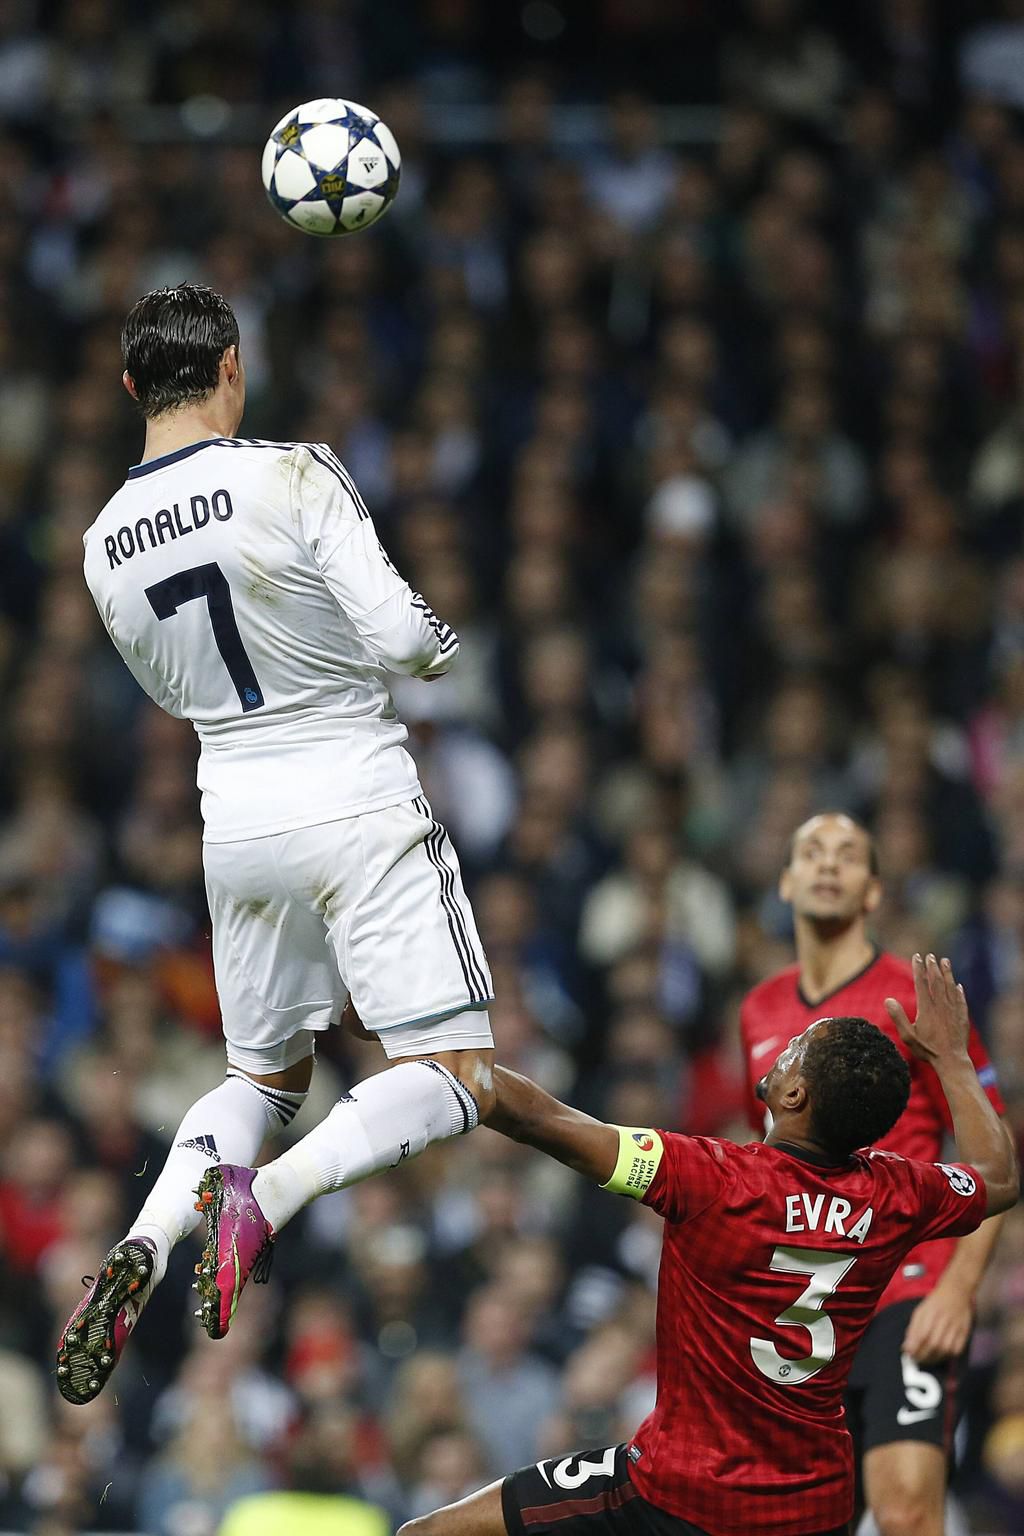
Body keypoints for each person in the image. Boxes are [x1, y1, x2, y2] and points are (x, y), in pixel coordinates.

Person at [58, 283, 494, 1406]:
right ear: (232, 368)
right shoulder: (291, 469)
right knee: (454, 1076)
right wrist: (445, 651)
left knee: (260, 1073)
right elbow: (402, 636)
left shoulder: (104, 540)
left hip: (234, 814)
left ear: (129, 389)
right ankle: (271, 1198)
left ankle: (151, 1237)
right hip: (350, 785)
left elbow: (165, 689)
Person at [401, 954, 1018, 1536]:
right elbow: (997, 1178)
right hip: (814, 1504)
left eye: (797, 1048)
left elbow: (541, 1120)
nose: (784, 1046)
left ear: (794, 1096)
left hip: (681, 1490)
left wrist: (441, 1058)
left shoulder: (708, 1177)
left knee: (428, 1531)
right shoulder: (899, 1194)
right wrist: (952, 1060)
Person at [739, 812, 1008, 1536]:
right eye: (812, 853)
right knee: (805, 1520)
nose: (829, 865)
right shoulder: (758, 1010)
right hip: (809, 1300)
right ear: (787, 881)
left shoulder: (914, 993)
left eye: (848, 855)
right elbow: (766, 1163)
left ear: (873, 891)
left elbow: (992, 1149)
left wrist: (958, 1287)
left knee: (905, 1510)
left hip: (906, 1285)